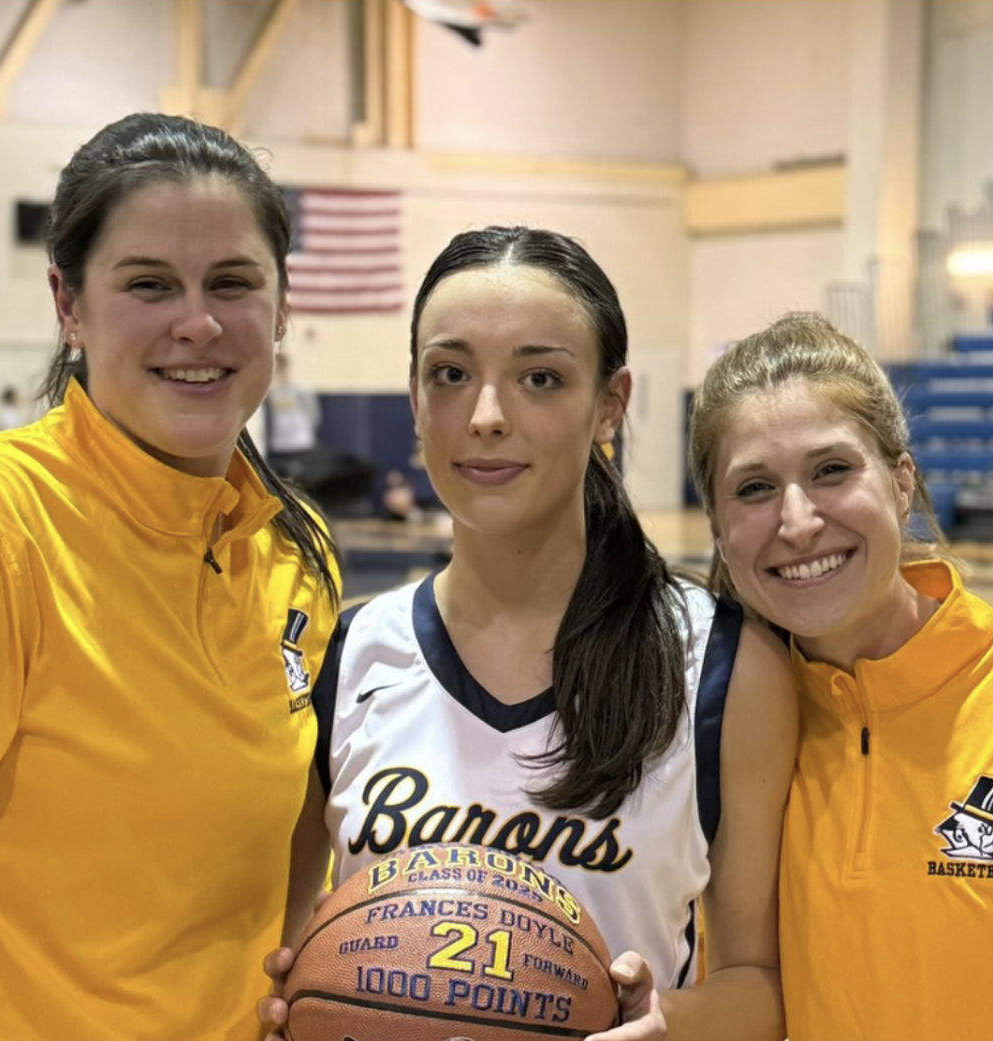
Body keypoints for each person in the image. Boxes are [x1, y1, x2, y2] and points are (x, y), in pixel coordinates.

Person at [260, 226, 798, 1040]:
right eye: (450, 374)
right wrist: (298, 998)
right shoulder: (346, 658)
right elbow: (294, 941)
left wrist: (664, 1023)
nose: (485, 416)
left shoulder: (722, 664)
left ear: (610, 403)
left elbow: (760, 984)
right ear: (414, 398)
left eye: (540, 378)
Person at [0, 113, 340, 1041]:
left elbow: (295, 850)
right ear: (69, 306)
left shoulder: (298, 552)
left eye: (234, 282)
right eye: (148, 284)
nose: (198, 322)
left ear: (282, 305)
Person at [687, 312, 993, 1040]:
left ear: (902, 481)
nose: (798, 521)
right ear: (717, 526)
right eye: (753, 488)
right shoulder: (720, 734)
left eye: (832, 470)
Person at [265, 350, 320, 475]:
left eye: (279, 368)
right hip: (278, 445)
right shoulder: (270, 392)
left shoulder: (300, 390)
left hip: (300, 443)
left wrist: (307, 433)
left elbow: (313, 414)